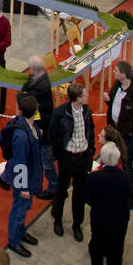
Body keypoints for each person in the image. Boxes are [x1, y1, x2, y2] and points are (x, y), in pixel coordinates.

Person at [84, 140, 133, 265]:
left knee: (97, 253)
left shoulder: (94, 178)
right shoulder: (127, 177)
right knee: (115, 258)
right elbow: (132, 192)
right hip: (119, 224)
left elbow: (87, 198)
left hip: (99, 222)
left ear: (103, 159)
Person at [50, 82, 95, 241]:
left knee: (80, 193)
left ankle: (77, 224)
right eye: (84, 95)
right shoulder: (60, 113)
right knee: (61, 190)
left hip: (83, 157)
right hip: (68, 158)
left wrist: (90, 152)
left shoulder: (87, 111)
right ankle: (57, 219)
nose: (87, 96)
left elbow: (91, 131)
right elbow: (54, 136)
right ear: (77, 99)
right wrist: (60, 155)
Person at [4, 93, 43, 258]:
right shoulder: (21, 137)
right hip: (24, 179)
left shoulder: (29, 125)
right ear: (34, 111)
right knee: (19, 209)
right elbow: (20, 164)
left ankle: (21, 231)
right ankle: (14, 241)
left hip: (31, 173)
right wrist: (23, 187)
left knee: (25, 208)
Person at [20, 56, 58, 194]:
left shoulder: (41, 87)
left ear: (33, 68)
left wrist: (23, 95)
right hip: (38, 123)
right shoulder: (38, 77)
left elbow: (23, 100)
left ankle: (54, 187)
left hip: (43, 127)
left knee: (46, 160)